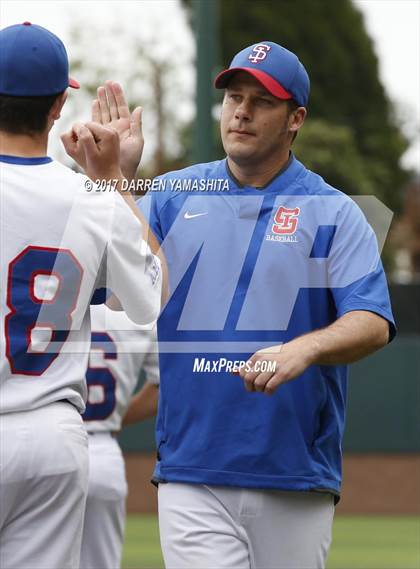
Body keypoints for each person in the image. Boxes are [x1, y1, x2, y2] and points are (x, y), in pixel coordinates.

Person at [79, 42, 395, 569]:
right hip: (191, 470)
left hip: (293, 472)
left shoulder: (334, 212)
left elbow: (372, 322)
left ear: (295, 118)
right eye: (233, 97)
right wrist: (112, 182)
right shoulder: (172, 195)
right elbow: (107, 281)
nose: (241, 111)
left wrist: (305, 349)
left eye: (261, 101)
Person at [0, 22, 162, 569]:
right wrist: (114, 176)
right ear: (56, 108)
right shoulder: (91, 198)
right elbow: (148, 298)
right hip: (54, 436)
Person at [79, 304, 159, 569]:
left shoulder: (46, 304)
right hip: (103, 448)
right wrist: (116, 418)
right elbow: (166, 387)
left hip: (46, 441)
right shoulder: (138, 316)